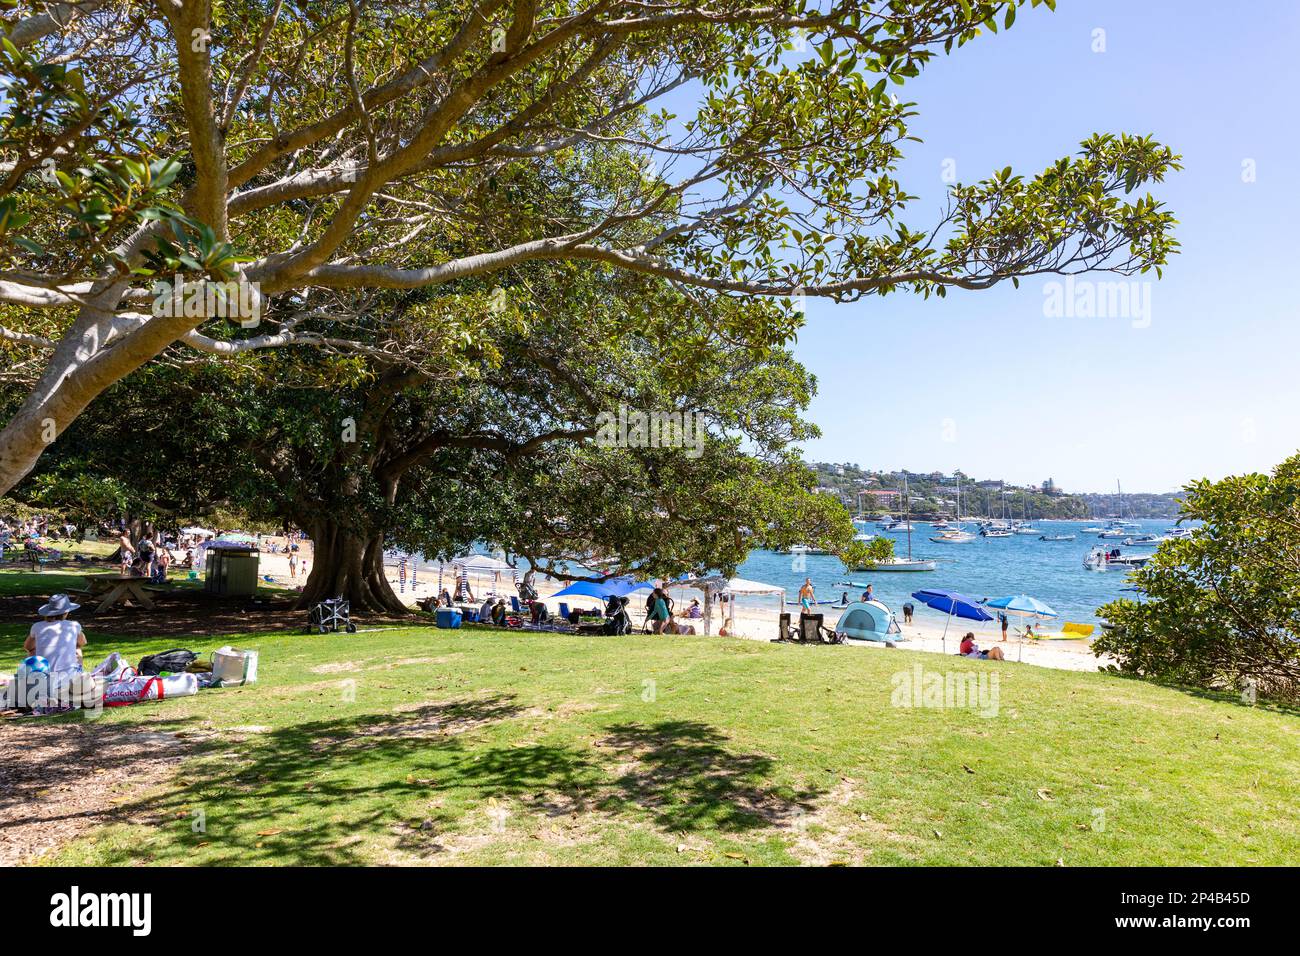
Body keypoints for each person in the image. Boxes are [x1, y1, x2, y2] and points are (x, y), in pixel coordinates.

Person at [24, 594, 86, 674]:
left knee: (32, 651)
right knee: (77, 648)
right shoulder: (74, 625)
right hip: (68, 675)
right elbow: (82, 642)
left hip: (43, 674)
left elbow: (28, 647)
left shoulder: (37, 626)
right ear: (66, 612)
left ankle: (35, 675)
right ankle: (79, 674)